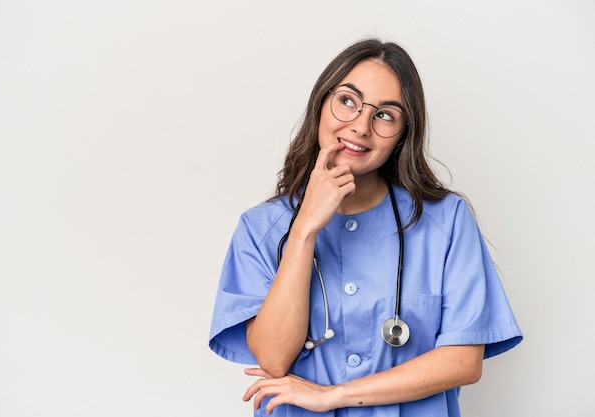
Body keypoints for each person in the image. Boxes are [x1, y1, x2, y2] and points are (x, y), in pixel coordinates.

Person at [208, 38, 522, 417]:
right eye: (347, 101)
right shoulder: (260, 229)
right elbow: (274, 359)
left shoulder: (446, 221)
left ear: (404, 134)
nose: (360, 126)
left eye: (385, 115)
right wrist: (304, 229)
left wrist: (333, 395)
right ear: (321, 104)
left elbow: (463, 362)